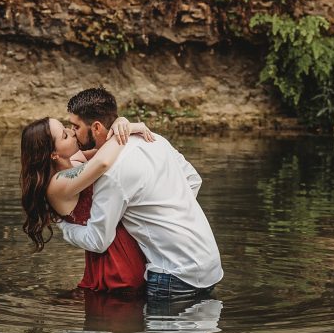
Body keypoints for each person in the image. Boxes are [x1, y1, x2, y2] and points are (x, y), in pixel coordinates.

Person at [58, 87, 223, 301]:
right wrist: (166, 212)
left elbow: (98, 240)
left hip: (173, 274)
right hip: (209, 264)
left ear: (97, 127)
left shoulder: (111, 173)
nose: (73, 131)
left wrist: (63, 224)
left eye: (76, 126)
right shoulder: (153, 139)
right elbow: (193, 180)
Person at [20, 114, 154, 292]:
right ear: (53, 154)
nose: (72, 132)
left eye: (67, 127)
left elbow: (107, 149)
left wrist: (121, 122)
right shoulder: (57, 184)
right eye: (65, 135)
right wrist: (129, 129)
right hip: (114, 260)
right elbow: (103, 162)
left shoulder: (74, 161)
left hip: (124, 243)